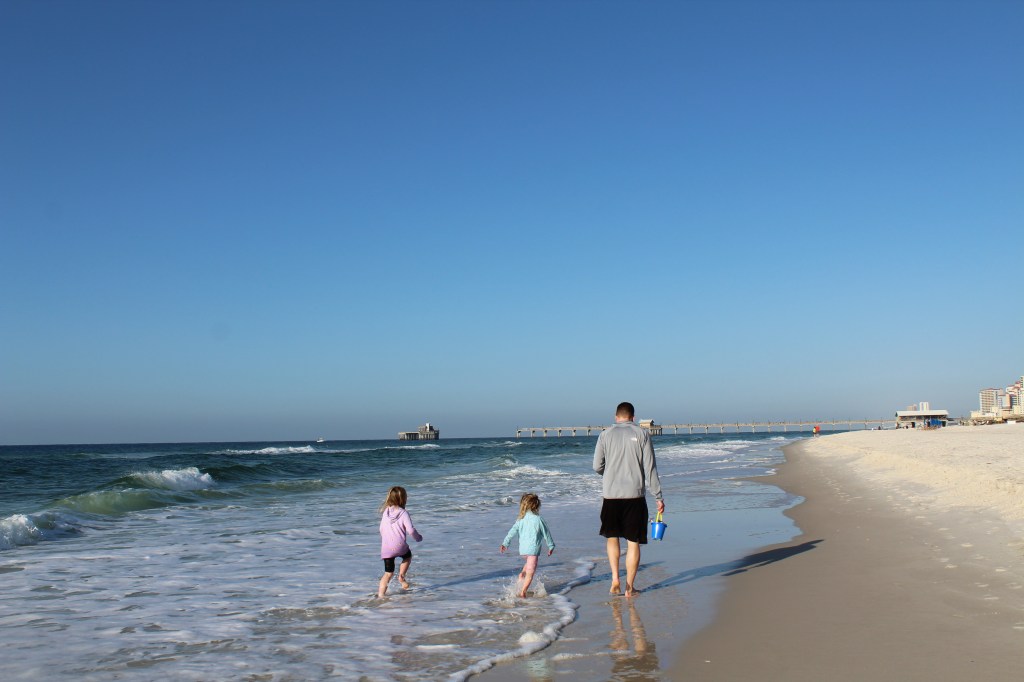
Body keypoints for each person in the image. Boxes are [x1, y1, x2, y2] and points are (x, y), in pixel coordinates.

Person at [593, 401, 664, 597]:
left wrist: (609, 474)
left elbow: (596, 466)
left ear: (616, 417)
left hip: (611, 495)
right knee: (633, 542)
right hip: (635, 495)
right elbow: (650, 469)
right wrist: (658, 496)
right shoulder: (642, 434)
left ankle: (615, 578)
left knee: (612, 537)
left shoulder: (605, 434)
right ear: (633, 417)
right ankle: (629, 588)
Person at [500, 493, 555, 598]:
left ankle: (522, 574)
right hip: (533, 551)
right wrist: (551, 545)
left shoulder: (521, 519)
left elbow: (512, 532)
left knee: (528, 566)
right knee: (531, 573)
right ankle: (523, 592)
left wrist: (505, 543)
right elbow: (546, 533)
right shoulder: (539, 519)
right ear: (537, 506)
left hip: (523, 550)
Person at [378, 485, 423, 598]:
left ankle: (380, 596)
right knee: (407, 556)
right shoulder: (403, 513)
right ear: (403, 499)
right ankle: (401, 576)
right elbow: (411, 530)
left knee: (388, 573)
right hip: (400, 546)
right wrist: (418, 538)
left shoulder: (385, 512)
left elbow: (381, 529)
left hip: (386, 547)